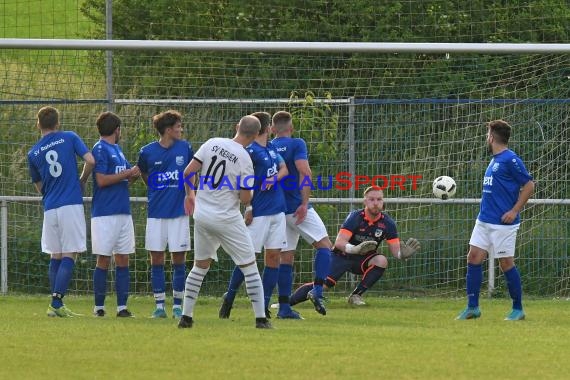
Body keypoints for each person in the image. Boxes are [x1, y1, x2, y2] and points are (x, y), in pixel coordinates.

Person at [178, 115, 272, 329]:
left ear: (237, 126)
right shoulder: (245, 159)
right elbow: (245, 198)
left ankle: (186, 317)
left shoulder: (212, 143)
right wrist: (247, 193)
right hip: (226, 218)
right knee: (249, 266)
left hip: (202, 215)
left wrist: (190, 194)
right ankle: (261, 320)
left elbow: (188, 172)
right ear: (256, 135)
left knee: (199, 266)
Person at [218, 112, 301, 320]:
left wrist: (273, 178)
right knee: (248, 258)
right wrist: (248, 208)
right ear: (266, 129)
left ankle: (262, 305)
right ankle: (230, 297)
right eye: (270, 125)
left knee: (273, 257)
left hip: (278, 211)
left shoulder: (271, 148)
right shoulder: (250, 152)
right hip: (259, 212)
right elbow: (240, 181)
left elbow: (283, 169)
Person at [288, 186, 421, 307]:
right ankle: (287, 302)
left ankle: (356, 296)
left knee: (381, 260)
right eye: (372, 199)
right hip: (342, 255)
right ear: (365, 201)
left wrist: (402, 254)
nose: (376, 203)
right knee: (324, 285)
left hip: (362, 259)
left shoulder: (388, 223)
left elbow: (395, 250)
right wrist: (355, 249)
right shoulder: (355, 217)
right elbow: (339, 243)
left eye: (379, 199)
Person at [456, 120, 534, 321]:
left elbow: (529, 185)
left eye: (487, 134)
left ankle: (518, 309)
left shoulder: (511, 159)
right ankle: (472, 307)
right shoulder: (494, 159)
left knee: (506, 263)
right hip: (484, 220)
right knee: (473, 257)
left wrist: (514, 210)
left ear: (491, 137)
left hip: (503, 223)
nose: (486, 137)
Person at [27, 106, 95, 317]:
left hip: (50, 206)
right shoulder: (69, 137)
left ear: (38, 124)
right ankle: (56, 303)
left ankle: (55, 304)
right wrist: (81, 180)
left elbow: (38, 185)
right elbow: (91, 160)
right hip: (70, 203)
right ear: (57, 123)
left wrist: (49, 192)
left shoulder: (33, 152)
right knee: (70, 253)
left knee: (55, 254)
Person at [270, 110, 332, 316]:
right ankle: (318, 290)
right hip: (297, 208)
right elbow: (304, 172)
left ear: (272, 129)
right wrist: (304, 203)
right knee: (325, 246)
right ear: (291, 128)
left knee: (285, 258)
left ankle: (284, 308)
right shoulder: (297, 143)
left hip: (278, 210)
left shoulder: (268, 147)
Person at [137, 110, 193, 319]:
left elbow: (191, 174)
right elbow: (143, 173)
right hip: (156, 214)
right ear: (168, 130)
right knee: (157, 259)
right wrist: (155, 189)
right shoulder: (147, 152)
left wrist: (190, 195)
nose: (181, 129)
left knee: (179, 259)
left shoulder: (185, 147)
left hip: (179, 212)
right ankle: (159, 306)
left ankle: (178, 305)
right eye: (178, 126)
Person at [91, 112, 141, 317]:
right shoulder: (100, 148)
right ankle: (99, 308)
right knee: (103, 259)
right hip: (105, 213)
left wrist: (133, 176)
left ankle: (122, 307)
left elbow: (123, 179)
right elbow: (101, 180)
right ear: (117, 129)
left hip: (122, 211)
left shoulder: (118, 150)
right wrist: (128, 173)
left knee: (123, 258)